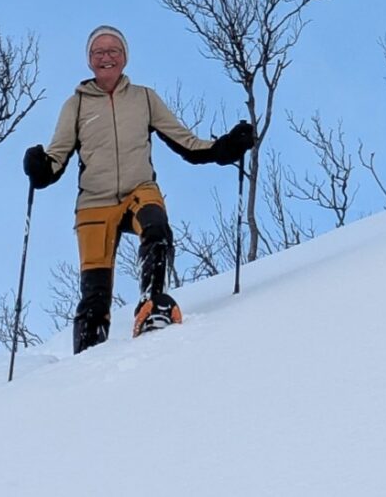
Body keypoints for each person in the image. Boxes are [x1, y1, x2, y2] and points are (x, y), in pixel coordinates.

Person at [23, 25, 254, 354]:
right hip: (94, 205)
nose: (107, 57)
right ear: (89, 61)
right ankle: (87, 357)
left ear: (125, 58)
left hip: (138, 191)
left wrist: (227, 147)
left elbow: (187, 143)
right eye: (99, 52)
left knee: (157, 229)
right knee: (95, 293)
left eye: (114, 50)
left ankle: (151, 306)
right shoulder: (74, 105)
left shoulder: (144, 98)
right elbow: (56, 157)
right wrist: (40, 167)